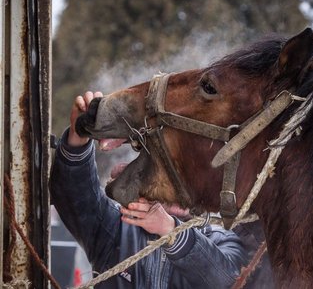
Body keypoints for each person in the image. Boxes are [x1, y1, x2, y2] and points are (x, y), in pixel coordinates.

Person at [50, 91, 253, 288]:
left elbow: (230, 280)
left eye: (184, 175)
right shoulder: (119, 227)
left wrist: (170, 230)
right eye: (166, 172)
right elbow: (74, 195)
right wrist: (78, 137)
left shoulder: (221, 239)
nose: (174, 184)